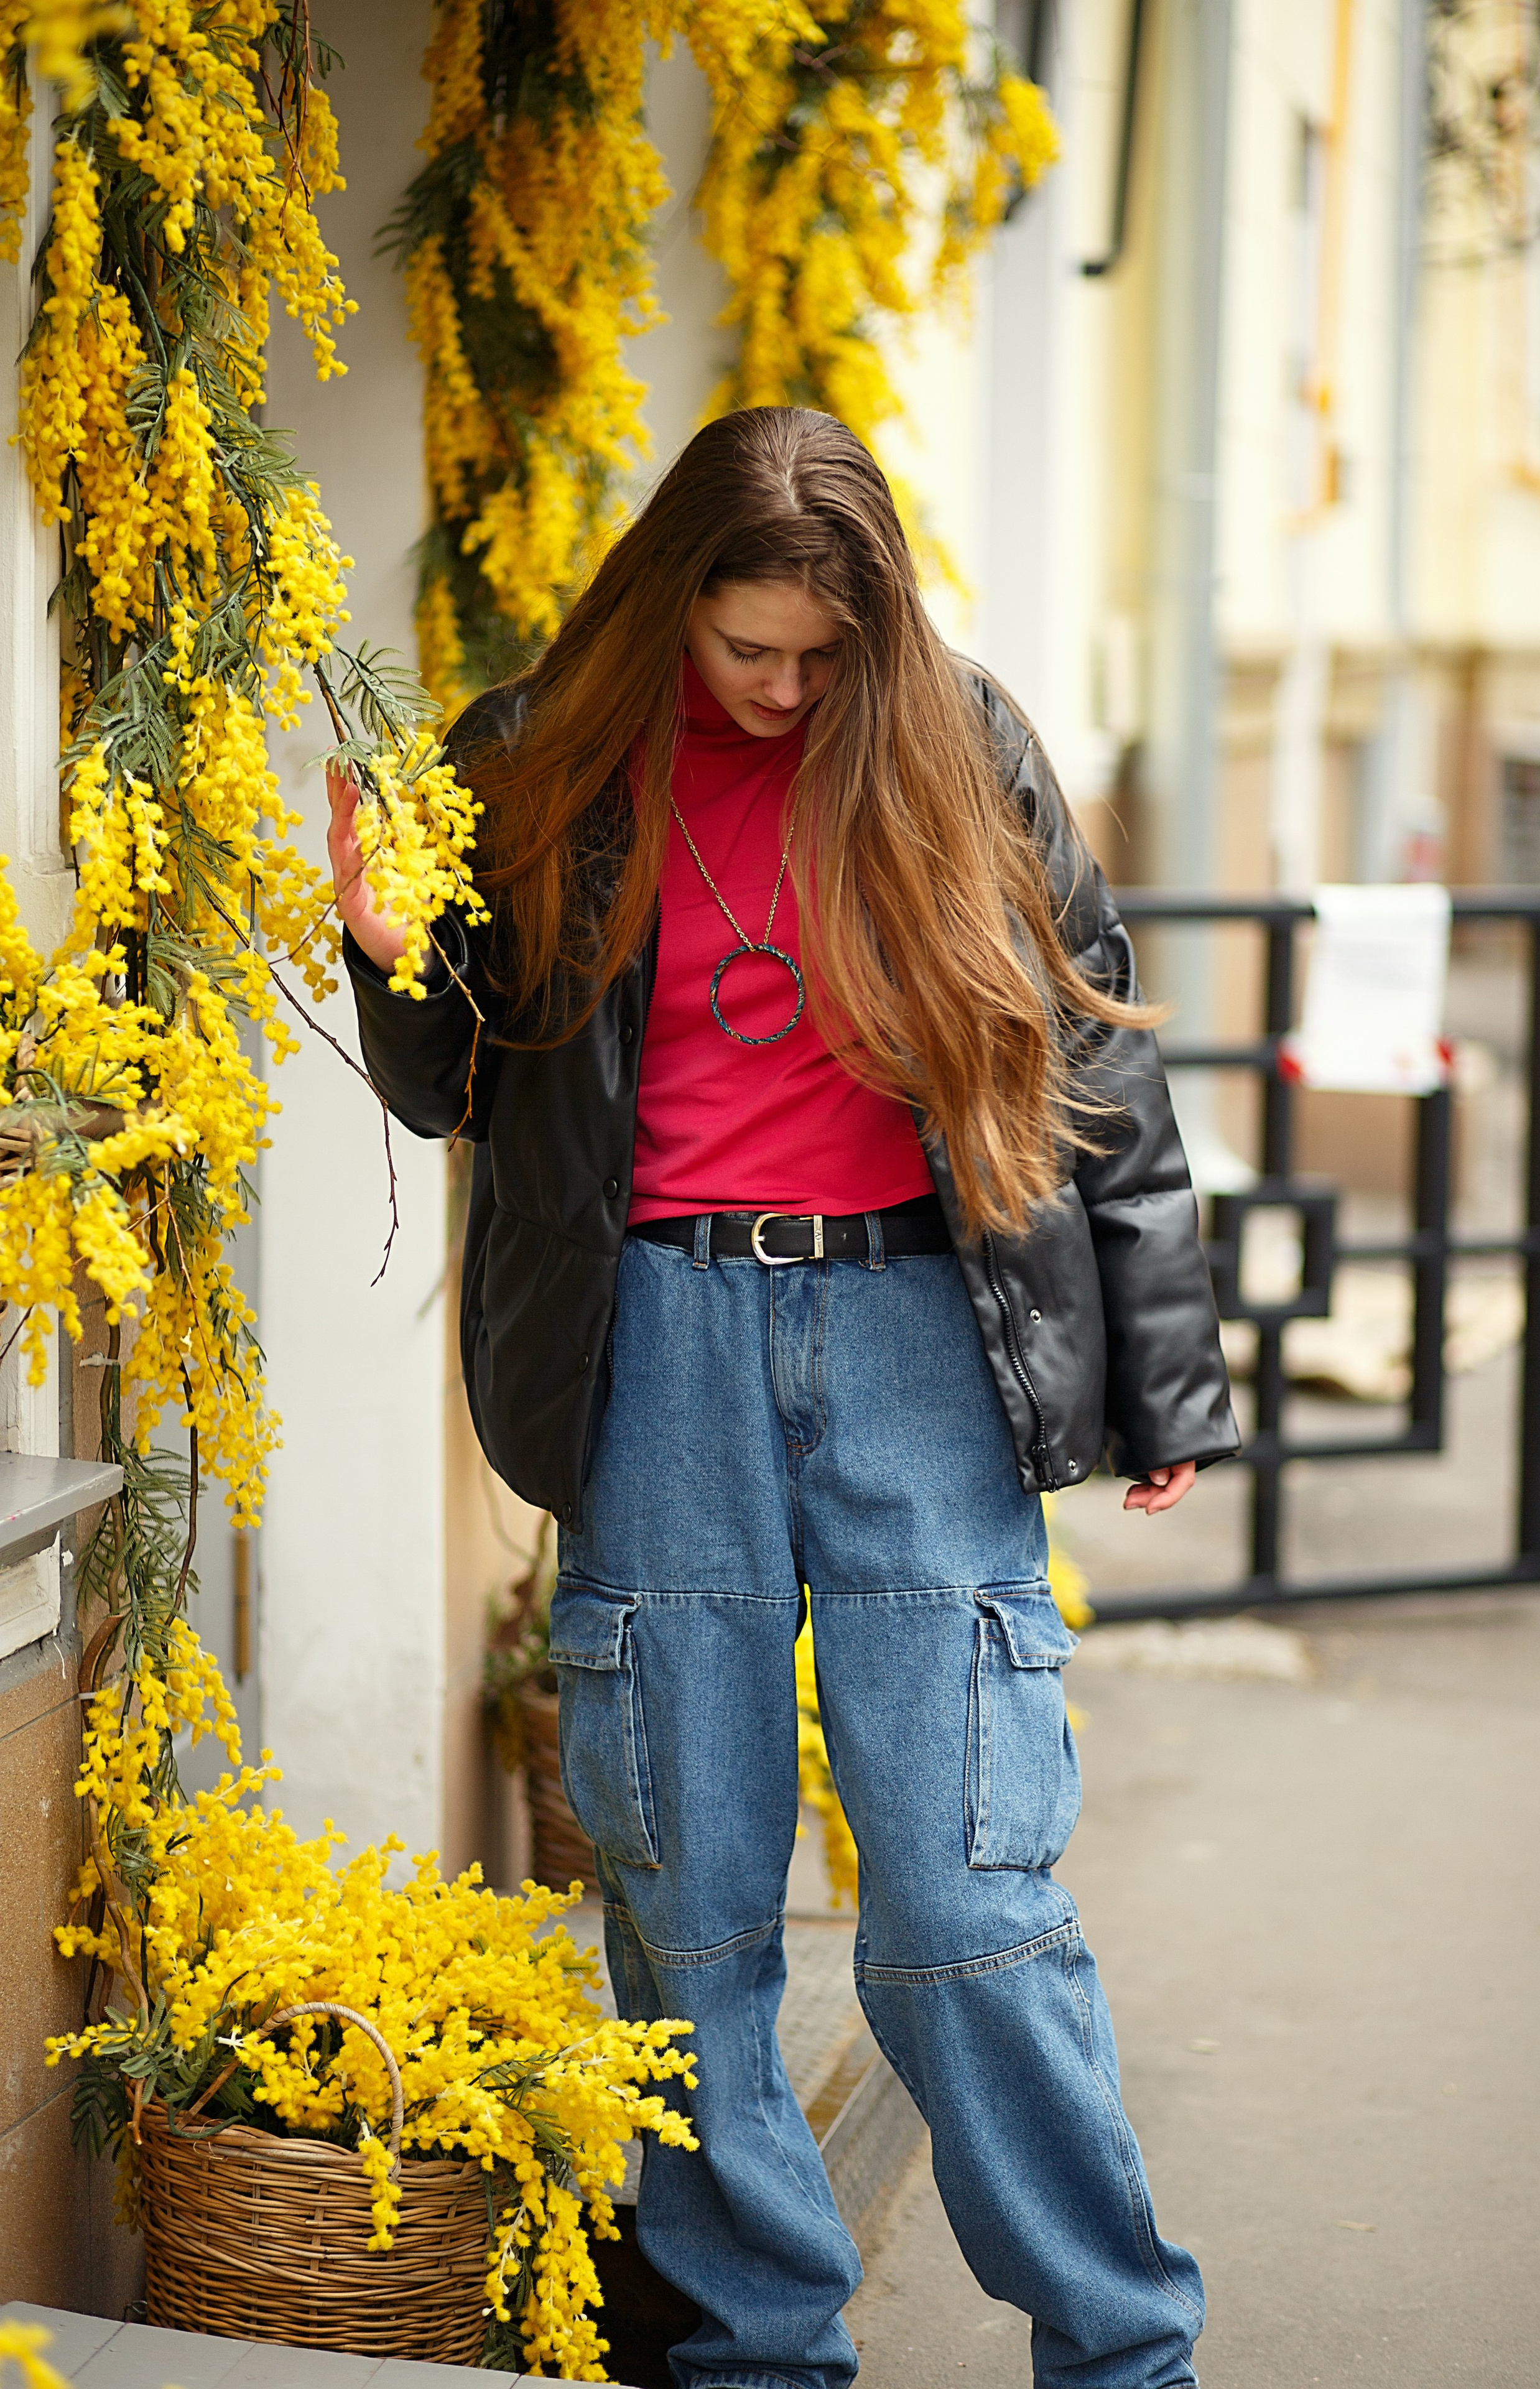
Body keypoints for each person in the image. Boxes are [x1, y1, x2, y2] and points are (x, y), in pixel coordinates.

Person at [335, 406, 1239, 2389]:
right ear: (674, 598)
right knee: (687, 1888)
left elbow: (1094, 1049)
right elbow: (452, 1080)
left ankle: (1119, 2351)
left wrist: (1165, 1368)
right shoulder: (533, 756)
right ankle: (757, 2347)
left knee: (964, 1886)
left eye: (829, 654)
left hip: (921, 1333)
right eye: (752, 647)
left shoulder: (955, 740)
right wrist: (393, 956)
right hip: (658, 1344)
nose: (790, 688)